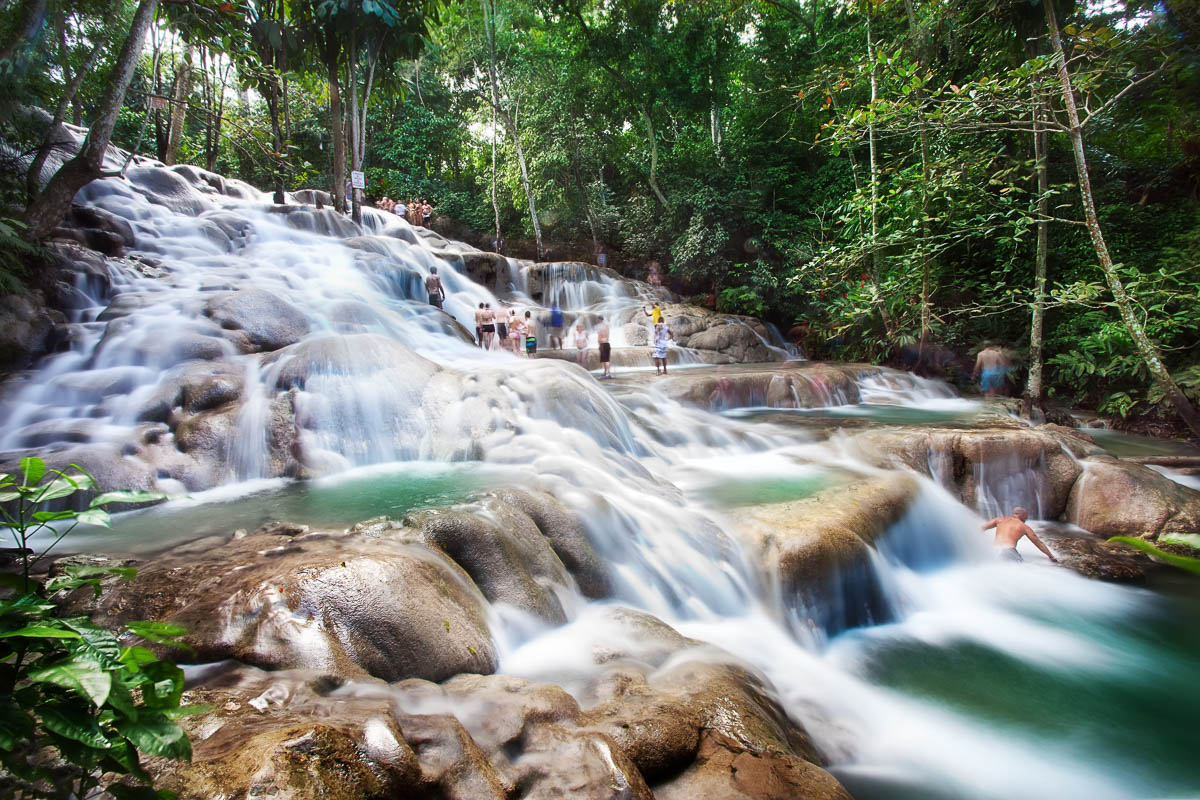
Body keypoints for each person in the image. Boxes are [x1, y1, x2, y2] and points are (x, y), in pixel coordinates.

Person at [981, 507, 1058, 563]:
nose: (1026, 518)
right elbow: (1039, 543)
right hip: (1008, 551)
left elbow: (982, 528)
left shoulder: (999, 519)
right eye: (1026, 516)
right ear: (1022, 515)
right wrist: (1051, 556)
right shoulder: (1024, 527)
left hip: (993, 550)